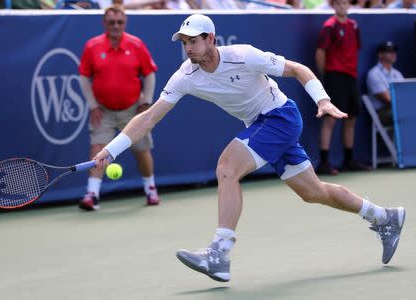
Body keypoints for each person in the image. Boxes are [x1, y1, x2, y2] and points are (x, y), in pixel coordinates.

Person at [92, 14, 406, 282]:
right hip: (260, 125)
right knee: (313, 192)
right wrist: (112, 149)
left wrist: (322, 99)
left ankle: (220, 253)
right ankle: (384, 217)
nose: (187, 48)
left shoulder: (244, 55)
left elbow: (299, 70)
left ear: (210, 39)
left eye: (193, 41)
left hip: (280, 116)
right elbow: (147, 118)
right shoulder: (184, 76)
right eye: (183, 42)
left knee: (226, 169)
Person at [78, 4, 160, 211]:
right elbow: (84, 77)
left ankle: (150, 189)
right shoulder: (92, 46)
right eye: (111, 22)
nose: (116, 26)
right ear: (104, 23)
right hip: (103, 111)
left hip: (133, 109)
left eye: (120, 22)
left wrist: (146, 102)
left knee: (142, 150)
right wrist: (93, 105)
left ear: (125, 23)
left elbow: (149, 73)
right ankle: (92, 194)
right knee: (97, 150)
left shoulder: (136, 44)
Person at [315, 0, 371, 175]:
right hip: (334, 76)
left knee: (351, 118)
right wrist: (326, 76)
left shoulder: (354, 26)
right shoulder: (329, 26)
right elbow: (320, 52)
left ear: (349, 5)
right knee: (330, 119)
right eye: (338, 3)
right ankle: (324, 162)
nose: (342, 6)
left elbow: (354, 50)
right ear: (334, 6)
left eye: (345, 3)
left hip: (350, 77)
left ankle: (349, 160)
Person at [366, 41, 404, 126]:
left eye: (394, 51)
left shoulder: (397, 74)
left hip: (399, 108)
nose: (393, 54)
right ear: (380, 54)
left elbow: (404, 96)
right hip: (383, 112)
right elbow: (388, 100)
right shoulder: (373, 74)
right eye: (389, 51)